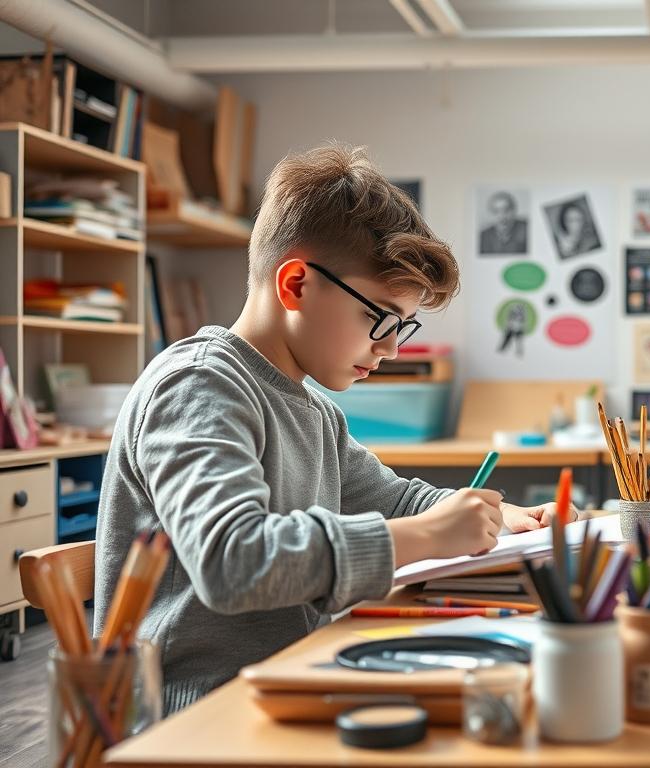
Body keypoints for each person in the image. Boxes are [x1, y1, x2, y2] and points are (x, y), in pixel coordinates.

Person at [94, 144, 562, 713]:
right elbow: (233, 561)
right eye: (380, 318)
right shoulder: (198, 387)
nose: (391, 347)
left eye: (403, 326)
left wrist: (497, 518)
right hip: (193, 712)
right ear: (295, 284)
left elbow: (398, 501)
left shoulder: (312, 409)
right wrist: (431, 535)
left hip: (285, 683)